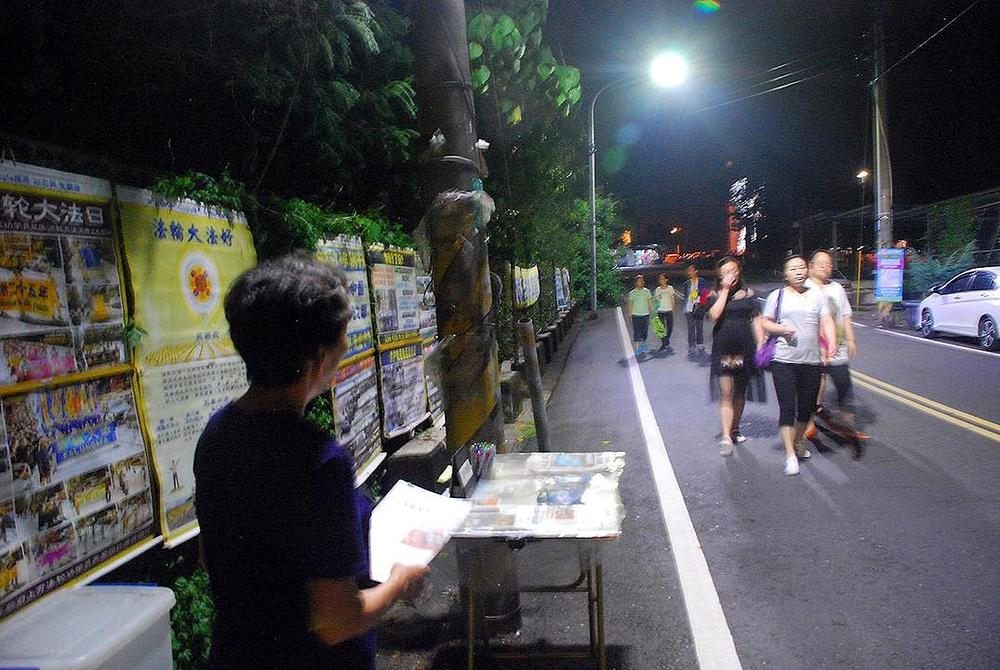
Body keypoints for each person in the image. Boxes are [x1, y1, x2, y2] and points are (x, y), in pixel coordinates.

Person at [194, 252, 428, 670]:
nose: (344, 346)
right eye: (342, 337)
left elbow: (212, 557)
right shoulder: (320, 461)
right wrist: (398, 581)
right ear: (318, 358)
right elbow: (337, 622)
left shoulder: (216, 434)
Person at [761, 255, 837, 476]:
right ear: (785, 274)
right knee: (787, 408)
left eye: (802, 267)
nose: (798, 272)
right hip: (783, 361)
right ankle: (790, 455)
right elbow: (765, 321)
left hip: (811, 361)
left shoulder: (817, 296)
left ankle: (798, 440)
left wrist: (831, 341)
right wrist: (781, 330)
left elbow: (826, 321)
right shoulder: (778, 296)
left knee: (806, 409)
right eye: (793, 268)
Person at [804, 250, 868, 453]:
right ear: (811, 266)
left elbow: (846, 315)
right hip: (813, 350)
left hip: (836, 349)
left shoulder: (837, 288)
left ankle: (850, 428)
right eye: (820, 263)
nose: (825, 266)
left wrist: (850, 338)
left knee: (844, 387)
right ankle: (808, 424)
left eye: (829, 264)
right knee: (812, 390)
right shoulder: (803, 288)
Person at [706, 257, 766, 455]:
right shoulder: (715, 293)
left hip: (744, 348)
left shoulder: (749, 294)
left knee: (740, 393)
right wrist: (724, 290)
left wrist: (760, 344)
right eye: (725, 272)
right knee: (726, 392)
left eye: (733, 270)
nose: (730, 275)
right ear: (720, 276)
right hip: (725, 349)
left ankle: (734, 429)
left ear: (739, 271)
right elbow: (714, 315)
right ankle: (725, 436)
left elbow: (756, 319)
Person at [683, 265, 710, 356]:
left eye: (691, 270)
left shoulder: (702, 281)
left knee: (699, 327)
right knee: (691, 328)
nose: (689, 272)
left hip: (699, 307)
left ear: (696, 271)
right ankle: (691, 345)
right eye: (688, 271)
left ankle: (700, 343)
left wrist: (700, 292)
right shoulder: (686, 283)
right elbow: (685, 297)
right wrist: (685, 308)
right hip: (689, 308)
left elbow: (706, 293)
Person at [626, 274, 655, 356]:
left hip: (645, 314)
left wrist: (653, 312)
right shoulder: (632, 293)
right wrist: (630, 314)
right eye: (639, 281)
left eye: (642, 281)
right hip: (636, 314)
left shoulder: (647, 291)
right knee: (637, 331)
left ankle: (643, 344)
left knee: (645, 331)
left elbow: (650, 303)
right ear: (636, 283)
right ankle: (638, 347)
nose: (641, 282)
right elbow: (630, 304)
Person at [654, 273, 683, 351]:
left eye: (663, 279)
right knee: (662, 328)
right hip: (660, 310)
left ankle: (666, 339)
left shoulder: (670, 288)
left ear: (666, 280)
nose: (661, 280)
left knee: (670, 328)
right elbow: (656, 300)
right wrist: (655, 308)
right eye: (660, 279)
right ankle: (664, 343)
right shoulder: (657, 289)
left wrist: (673, 308)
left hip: (669, 310)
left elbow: (672, 298)